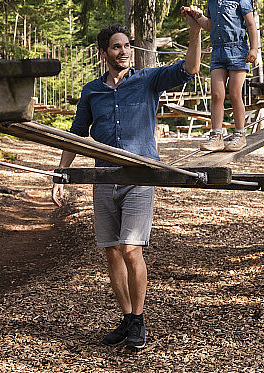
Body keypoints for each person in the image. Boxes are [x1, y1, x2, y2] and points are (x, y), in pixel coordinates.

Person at [51, 20, 202, 350]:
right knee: (112, 251)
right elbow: (76, 135)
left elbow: (189, 69)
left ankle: (138, 319)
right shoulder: (92, 91)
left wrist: (195, 32)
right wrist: (61, 174)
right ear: (104, 52)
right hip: (104, 179)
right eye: (117, 47)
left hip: (139, 178)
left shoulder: (148, 79)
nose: (124, 52)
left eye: (127, 46)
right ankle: (128, 318)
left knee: (131, 249)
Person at [180, 0, 260, 152]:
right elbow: (209, 25)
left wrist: (254, 48)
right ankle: (216, 135)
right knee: (216, 94)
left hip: (238, 51)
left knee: (234, 93)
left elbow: (251, 25)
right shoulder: (212, 2)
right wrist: (196, 16)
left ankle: (240, 134)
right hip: (218, 53)